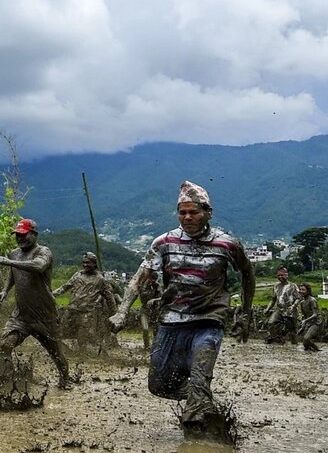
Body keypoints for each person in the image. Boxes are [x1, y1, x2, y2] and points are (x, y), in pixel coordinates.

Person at [109, 181, 255, 437]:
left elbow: (247, 273)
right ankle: (204, 402)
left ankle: (201, 444)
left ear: (208, 212)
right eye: (182, 212)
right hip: (172, 321)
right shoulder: (164, 242)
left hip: (209, 322)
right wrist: (122, 311)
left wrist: (245, 309)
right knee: (158, 385)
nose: (187, 217)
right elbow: (139, 277)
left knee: (199, 379)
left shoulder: (227, 244)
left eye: (194, 212)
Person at [0, 219, 73, 389]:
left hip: (44, 314)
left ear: (34, 234)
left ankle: (66, 379)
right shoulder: (14, 253)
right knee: (5, 344)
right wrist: (5, 290)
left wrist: (8, 262)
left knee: (55, 352)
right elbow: (13, 274)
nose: (20, 238)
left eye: (23, 235)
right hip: (22, 314)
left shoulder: (43, 252)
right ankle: (7, 382)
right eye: (17, 235)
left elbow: (38, 266)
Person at [53, 251, 117, 354]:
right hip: (71, 310)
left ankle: (90, 356)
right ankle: (69, 353)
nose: (85, 265)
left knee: (82, 339)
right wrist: (51, 294)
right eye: (84, 262)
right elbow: (64, 287)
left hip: (86, 314)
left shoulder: (100, 279)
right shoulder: (77, 275)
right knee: (58, 334)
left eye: (88, 263)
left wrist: (115, 315)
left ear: (94, 264)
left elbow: (109, 298)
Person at [265, 267, 300, 344]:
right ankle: (276, 339)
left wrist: (293, 306)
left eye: (282, 275)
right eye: (278, 275)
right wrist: (268, 308)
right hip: (279, 309)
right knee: (271, 323)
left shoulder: (293, 286)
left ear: (286, 275)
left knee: (292, 330)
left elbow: (298, 298)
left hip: (290, 311)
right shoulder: (276, 286)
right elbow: (273, 299)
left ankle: (295, 346)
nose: (280, 277)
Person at [293, 283, 322, 352]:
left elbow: (315, 314)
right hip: (309, 321)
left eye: (303, 290)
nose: (301, 291)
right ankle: (309, 354)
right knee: (305, 343)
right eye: (300, 289)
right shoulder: (302, 302)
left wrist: (305, 321)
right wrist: (302, 327)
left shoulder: (312, 300)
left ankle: (318, 350)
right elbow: (305, 316)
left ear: (308, 291)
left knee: (306, 339)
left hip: (316, 322)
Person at [137, 271, 162, 350]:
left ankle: (155, 346)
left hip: (154, 310)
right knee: (145, 328)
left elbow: (162, 297)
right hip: (144, 310)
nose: (153, 281)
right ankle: (146, 346)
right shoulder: (142, 285)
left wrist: (154, 299)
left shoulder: (157, 286)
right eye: (152, 279)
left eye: (155, 279)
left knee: (156, 330)